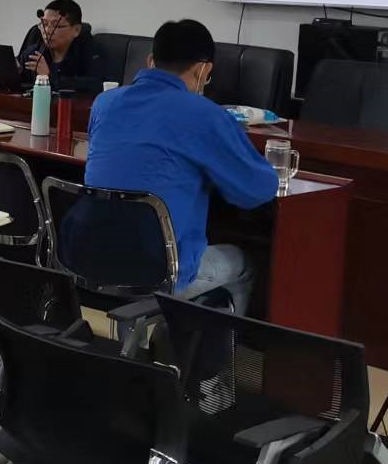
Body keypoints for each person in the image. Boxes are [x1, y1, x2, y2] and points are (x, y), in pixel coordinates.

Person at [83, 18, 278, 313]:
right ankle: (208, 343)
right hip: (159, 272)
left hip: (90, 257)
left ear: (151, 61)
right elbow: (257, 191)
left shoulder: (104, 103)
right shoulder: (205, 114)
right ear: (203, 70)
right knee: (245, 264)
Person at [17, 0, 106, 94]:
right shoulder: (34, 52)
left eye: (57, 26)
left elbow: (97, 85)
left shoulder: (91, 51)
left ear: (76, 30)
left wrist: (49, 78)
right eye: (44, 24)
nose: (48, 31)